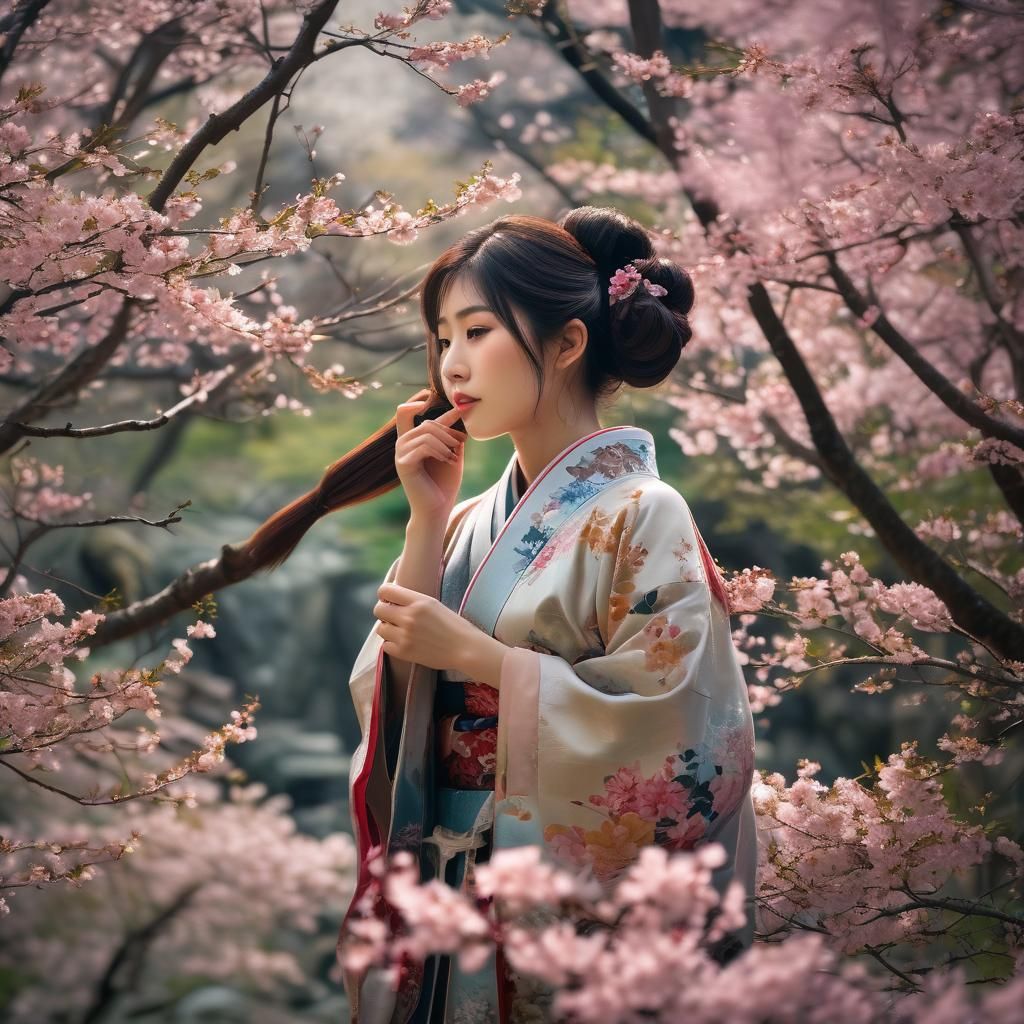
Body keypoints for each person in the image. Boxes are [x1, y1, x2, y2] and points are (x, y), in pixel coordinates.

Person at [239, 206, 758, 1023]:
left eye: (477, 332)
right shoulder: (470, 515)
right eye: (444, 338)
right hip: (452, 894)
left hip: (555, 904)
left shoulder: (642, 512)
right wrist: (426, 521)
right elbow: (396, 694)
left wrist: (487, 662)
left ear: (567, 344)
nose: (453, 363)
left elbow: (686, 739)